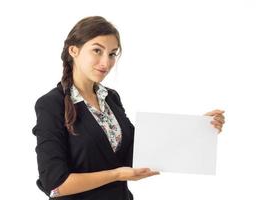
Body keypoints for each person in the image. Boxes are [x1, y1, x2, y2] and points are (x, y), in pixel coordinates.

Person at [32, 16, 226, 200]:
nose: (106, 62)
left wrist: (198, 129)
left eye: (112, 54)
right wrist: (116, 175)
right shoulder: (51, 104)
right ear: (73, 51)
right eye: (97, 50)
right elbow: (55, 184)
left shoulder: (110, 97)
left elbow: (137, 152)